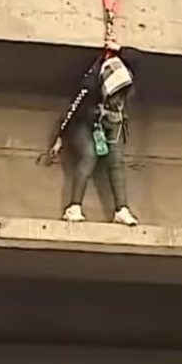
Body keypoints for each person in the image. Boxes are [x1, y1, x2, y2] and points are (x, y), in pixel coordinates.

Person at [47, 40, 141, 226]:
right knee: (89, 154)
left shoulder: (121, 71)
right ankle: (73, 207)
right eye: (115, 96)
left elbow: (138, 58)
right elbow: (72, 110)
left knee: (116, 160)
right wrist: (60, 136)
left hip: (109, 121)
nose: (118, 100)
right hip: (83, 122)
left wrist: (119, 49)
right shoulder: (89, 85)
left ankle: (121, 210)